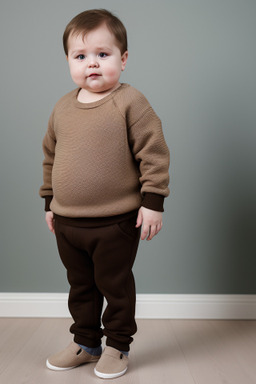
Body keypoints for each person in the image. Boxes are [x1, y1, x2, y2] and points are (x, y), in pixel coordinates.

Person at [39, 8, 170, 379]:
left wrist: (153, 203)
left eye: (103, 54)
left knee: (115, 286)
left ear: (123, 59)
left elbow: (154, 154)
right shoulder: (62, 107)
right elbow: (51, 156)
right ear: (68, 61)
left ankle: (117, 346)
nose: (91, 64)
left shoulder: (130, 103)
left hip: (116, 222)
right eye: (81, 57)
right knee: (80, 286)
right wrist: (49, 203)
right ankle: (85, 342)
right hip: (67, 221)